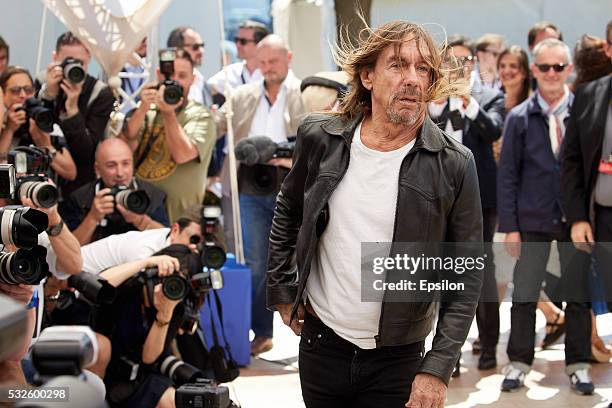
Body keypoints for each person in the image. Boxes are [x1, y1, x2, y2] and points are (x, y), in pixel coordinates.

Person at [267, 20, 482, 408]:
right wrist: (282, 290)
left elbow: (465, 273)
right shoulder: (321, 136)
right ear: (368, 76)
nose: (413, 79)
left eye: (423, 69)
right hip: (321, 344)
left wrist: (437, 366)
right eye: (398, 65)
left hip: (399, 357)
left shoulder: (454, 163)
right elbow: (289, 209)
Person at [498, 38, 594, 395]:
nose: (552, 73)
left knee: (578, 297)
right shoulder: (519, 118)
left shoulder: (584, 114)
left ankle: (579, 364)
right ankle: (519, 362)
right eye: (544, 67)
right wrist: (510, 228)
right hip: (531, 219)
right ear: (534, 71)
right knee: (524, 294)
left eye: (559, 66)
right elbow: (507, 175)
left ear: (569, 69)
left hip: (575, 220)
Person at [215, 34, 305, 356]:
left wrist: (282, 155)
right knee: (254, 260)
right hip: (251, 182)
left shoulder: (305, 93)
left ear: (289, 58)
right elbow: (214, 126)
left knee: (294, 259)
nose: (267, 69)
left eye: (273, 62)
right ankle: (260, 331)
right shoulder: (241, 95)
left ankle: (303, 326)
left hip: (293, 181)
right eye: (262, 62)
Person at [429, 35, 505, 371]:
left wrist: (467, 102)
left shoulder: (489, 96)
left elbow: (492, 131)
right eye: (450, 61)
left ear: (473, 61)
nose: (457, 67)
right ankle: (451, 353)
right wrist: (443, 100)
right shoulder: (434, 97)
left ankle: (488, 344)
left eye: (463, 60)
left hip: (481, 197)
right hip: (441, 195)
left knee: (482, 270)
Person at [562, 19, 612, 361]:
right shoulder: (590, 95)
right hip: (603, 217)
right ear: (609, 49)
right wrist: (578, 216)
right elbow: (572, 160)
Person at [121, 49, 216, 223]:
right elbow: (124, 144)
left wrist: (168, 113)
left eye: (182, 75)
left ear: (193, 79)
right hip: (139, 213)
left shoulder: (200, 115)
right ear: (158, 75)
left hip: (179, 222)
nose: (175, 81)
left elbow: (182, 155)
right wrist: (142, 107)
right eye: (169, 74)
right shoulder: (147, 110)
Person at [37, 32, 115, 197]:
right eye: (67, 61)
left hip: (80, 188)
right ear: (55, 57)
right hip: (42, 177)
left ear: (89, 59)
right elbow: (36, 133)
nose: (73, 68)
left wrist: (72, 110)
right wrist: (48, 96)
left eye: (79, 63)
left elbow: (87, 152)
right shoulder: (41, 82)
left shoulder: (100, 93)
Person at [61, 137, 169, 245]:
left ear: (133, 165)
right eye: (111, 166)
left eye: (126, 164)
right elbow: (69, 250)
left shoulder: (152, 195)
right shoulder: (80, 198)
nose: (120, 173)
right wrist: (93, 218)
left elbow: (167, 240)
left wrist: (140, 220)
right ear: (97, 169)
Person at [0, 66, 77, 182]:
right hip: (9, 195)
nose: (23, 95)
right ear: (3, 94)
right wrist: (9, 130)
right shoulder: (2, 126)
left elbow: (71, 173)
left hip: (42, 194)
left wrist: (45, 145)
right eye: (15, 90)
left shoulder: (46, 122)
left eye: (28, 90)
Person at [207, 20, 269, 99]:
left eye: (243, 41)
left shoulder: (270, 72)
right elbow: (206, 89)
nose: (237, 45)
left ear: (259, 44)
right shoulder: (231, 72)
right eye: (236, 40)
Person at [167, 26, 213, 107]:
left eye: (202, 45)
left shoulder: (200, 79)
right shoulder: (165, 80)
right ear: (178, 49)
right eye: (195, 47)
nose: (201, 51)